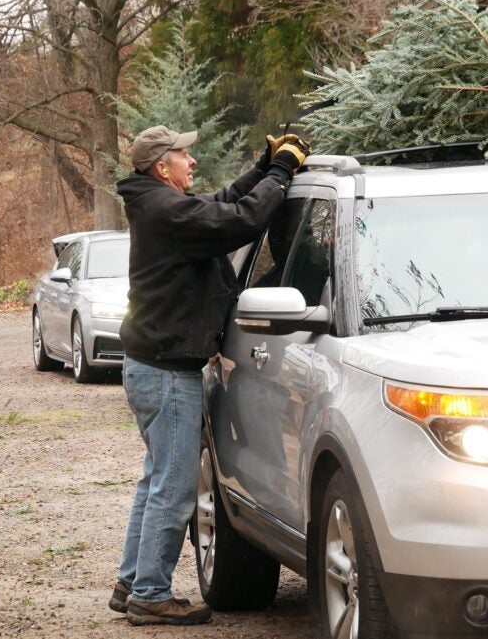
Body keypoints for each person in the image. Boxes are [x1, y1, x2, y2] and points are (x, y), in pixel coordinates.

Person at [110, 124, 309, 626]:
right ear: (162, 166)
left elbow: (222, 204)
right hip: (165, 372)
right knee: (173, 486)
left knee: (157, 479)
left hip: (152, 365)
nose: (191, 161)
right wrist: (283, 171)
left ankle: (132, 581)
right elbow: (237, 221)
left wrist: (265, 168)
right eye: (183, 154)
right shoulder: (167, 210)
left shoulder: (160, 205)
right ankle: (152, 595)